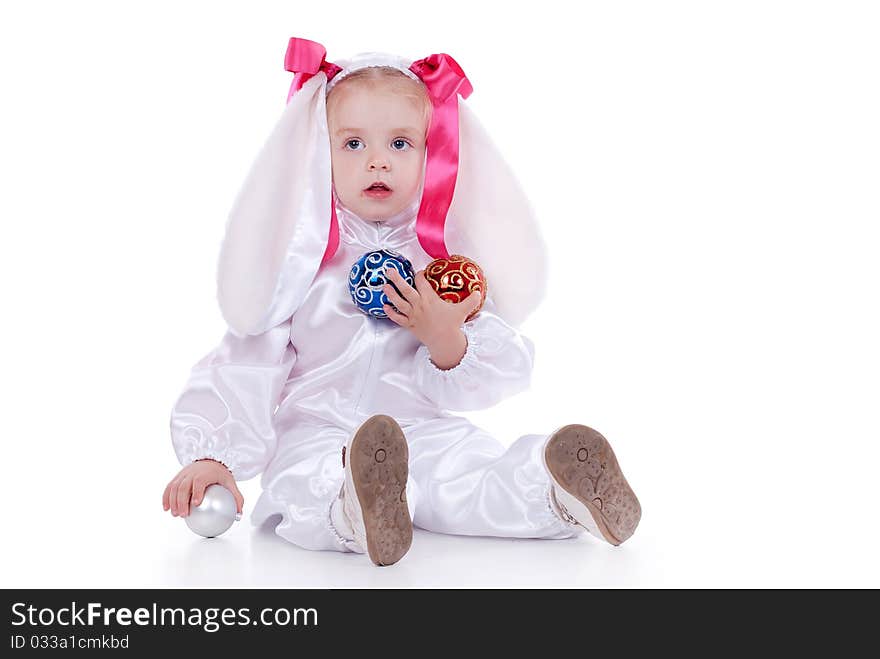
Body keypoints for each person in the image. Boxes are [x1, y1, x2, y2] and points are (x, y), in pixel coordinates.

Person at [161, 37, 641, 566]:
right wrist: (216, 454)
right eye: (352, 144)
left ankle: (555, 490)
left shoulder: (443, 265)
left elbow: (501, 361)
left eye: (399, 144)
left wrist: (445, 338)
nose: (377, 163)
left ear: (430, 154)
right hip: (320, 430)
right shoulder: (300, 264)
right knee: (305, 477)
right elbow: (246, 363)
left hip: (425, 428)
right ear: (319, 153)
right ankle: (354, 504)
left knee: (469, 471)